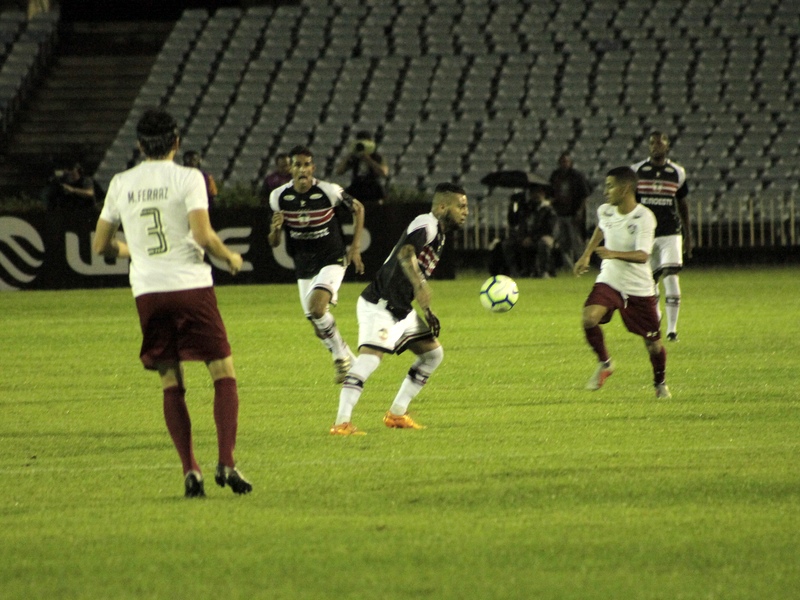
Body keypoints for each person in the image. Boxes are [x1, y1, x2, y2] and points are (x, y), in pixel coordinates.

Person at [92, 108, 252, 498]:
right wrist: (229, 257)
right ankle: (227, 461)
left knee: (170, 380)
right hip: (190, 286)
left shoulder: (120, 182)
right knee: (222, 370)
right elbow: (202, 234)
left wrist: (134, 251)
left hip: (148, 291)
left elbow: (100, 246)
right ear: (176, 143)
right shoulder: (188, 177)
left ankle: (190, 470)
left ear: (140, 145)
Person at [331, 182, 469, 435]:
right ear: (442, 206)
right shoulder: (426, 224)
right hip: (380, 304)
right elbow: (406, 254)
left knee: (432, 354)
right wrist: (420, 287)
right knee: (369, 361)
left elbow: (413, 267)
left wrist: (426, 310)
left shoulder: (439, 232)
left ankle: (396, 414)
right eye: (460, 205)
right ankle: (342, 422)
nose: (466, 211)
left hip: (400, 308)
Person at [268, 145, 365, 383]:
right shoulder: (278, 197)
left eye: (306, 164)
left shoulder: (328, 191)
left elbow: (359, 208)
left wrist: (354, 248)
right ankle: (350, 361)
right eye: (297, 165)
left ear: (313, 168)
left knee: (318, 308)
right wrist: (275, 229)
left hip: (331, 257)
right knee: (316, 322)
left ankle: (341, 360)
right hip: (303, 263)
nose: (303, 169)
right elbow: (273, 242)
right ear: (290, 169)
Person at [574, 166, 670, 399]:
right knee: (589, 318)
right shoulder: (605, 211)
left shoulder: (644, 217)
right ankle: (605, 363)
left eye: (610, 186)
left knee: (653, 344)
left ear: (626, 188)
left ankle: (660, 383)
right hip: (610, 280)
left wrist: (612, 253)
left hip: (639, 288)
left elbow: (643, 255)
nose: (606, 191)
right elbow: (601, 228)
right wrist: (586, 255)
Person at [631, 131, 691, 342]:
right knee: (649, 282)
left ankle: (672, 330)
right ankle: (655, 322)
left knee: (671, 275)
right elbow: (632, 204)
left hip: (670, 232)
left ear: (667, 146)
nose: (656, 146)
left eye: (660, 142)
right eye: (652, 143)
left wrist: (688, 234)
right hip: (646, 234)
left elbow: (682, 204)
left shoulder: (677, 172)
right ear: (648, 147)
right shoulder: (637, 171)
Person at [501, 183, 559, 278]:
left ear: (543, 194)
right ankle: (515, 271)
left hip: (540, 237)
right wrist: (512, 205)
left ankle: (543, 270)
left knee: (544, 243)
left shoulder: (548, 210)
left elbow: (549, 229)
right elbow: (513, 222)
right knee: (507, 244)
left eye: (538, 193)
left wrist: (532, 238)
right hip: (526, 237)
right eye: (533, 193)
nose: (535, 195)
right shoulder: (526, 208)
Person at [549, 152, 592, 270]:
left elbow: (584, 196)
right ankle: (568, 266)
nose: (564, 164)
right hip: (560, 213)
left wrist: (579, 212)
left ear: (570, 163)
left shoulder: (577, 176)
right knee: (562, 242)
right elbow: (551, 192)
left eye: (566, 162)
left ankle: (582, 264)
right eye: (562, 162)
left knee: (576, 241)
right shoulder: (555, 175)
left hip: (573, 214)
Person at [335, 130, 389, 204]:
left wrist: (367, 159)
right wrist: (350, 154)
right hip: (357, 186)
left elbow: (383, 173)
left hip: (372, 187)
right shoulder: (355, 157)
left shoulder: (376, 157)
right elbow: (339, 171)